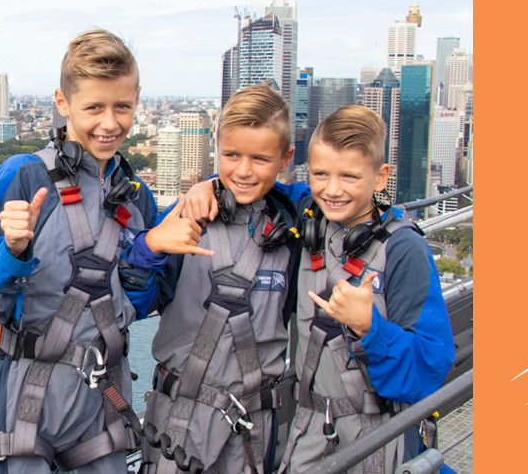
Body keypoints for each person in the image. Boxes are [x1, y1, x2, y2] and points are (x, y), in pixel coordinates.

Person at [181, 105, 455, 473]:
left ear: (380, 177)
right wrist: (208, 186)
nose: (332, 190)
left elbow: (430, 368)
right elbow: (253, 182)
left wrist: (370, 328)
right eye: (320, 174)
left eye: (350, 177)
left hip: (379, 439)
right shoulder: (308, 218)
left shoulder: (404, 250)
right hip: (309, 434)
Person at [0, 28, 166, 474]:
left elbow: (137, 306)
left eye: (122, 106)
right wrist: (10, 250)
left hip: (104, 399)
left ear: (138, 100)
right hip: (31, 398)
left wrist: (148, 259)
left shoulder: (135, 196)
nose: (110, 123)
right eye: (94, 108)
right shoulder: (26, 177)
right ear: (62, 104)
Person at [126, 85, 306, 473]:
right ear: (216, 148)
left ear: (286, 158)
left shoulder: (293, 220)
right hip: (179, 419)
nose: (243, 170)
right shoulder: (186, 215)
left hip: (254, 428)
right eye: (231, 155)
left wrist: (210, 181)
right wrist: (149, 249)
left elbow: (338, 194)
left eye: (261, 158)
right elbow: (135, 303)